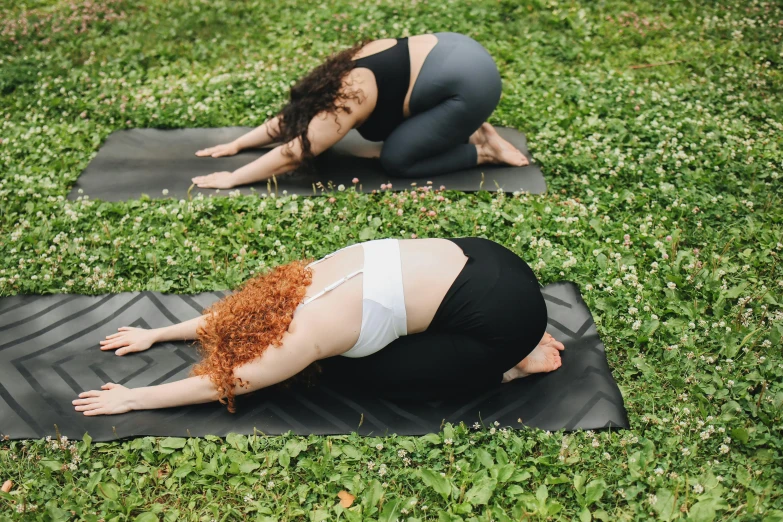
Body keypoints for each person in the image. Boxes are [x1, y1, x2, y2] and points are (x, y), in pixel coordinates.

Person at [72, 238, 564, 416]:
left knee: (364, 374)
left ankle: (513, 362)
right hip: (489, 259)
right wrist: (157, 334)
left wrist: (133, 397)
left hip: (508, 317)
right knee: (374, 338)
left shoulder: (303, 339)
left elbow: (218, 385)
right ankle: (502, 335)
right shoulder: (302, 280)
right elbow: (234, 312)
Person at [190, 33, 529, 189]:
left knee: (397, 158)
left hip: (473, 84)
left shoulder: (349, 99)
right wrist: (240, 144)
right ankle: (469, 125)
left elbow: (294, 153)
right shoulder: (343, 76)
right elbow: (293, 118)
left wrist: (233, 178)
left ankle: (483, 149)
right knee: (403, 128)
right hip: (455, 48)